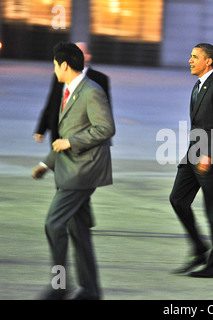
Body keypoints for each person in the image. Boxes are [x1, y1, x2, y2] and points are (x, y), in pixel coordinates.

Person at [32, 42, 115, 299]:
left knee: (53, 224)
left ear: (64, 65)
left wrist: (71, 143)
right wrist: (47, 163)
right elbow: (65, 134)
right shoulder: (68, 89)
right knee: (79, 232)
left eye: (55, 65)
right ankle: (90, 290)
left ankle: (60, 286)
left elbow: (106, 128)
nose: (54, 69)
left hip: (82, 171)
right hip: (69, 167)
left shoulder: (91, 91)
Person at [169, 43, 213, 278]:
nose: (190, 60)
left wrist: (209, 153)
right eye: (190, 56)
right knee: (178, 199)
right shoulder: (199, 86)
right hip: (194, 151)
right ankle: (199, 249)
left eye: (195, 57)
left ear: (209, 61)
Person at [34, 42, 111, 144]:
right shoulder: (60, 75)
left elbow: (104, 110)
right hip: (59, 134)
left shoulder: (99, 79)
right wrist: (41, 129)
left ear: (87, 56)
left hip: (83, 136)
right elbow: (52, 103)